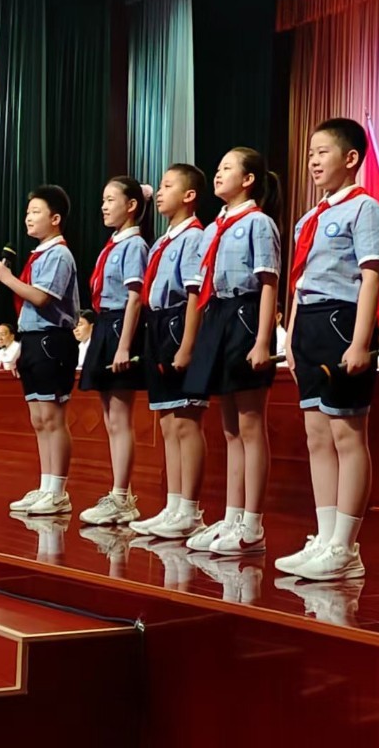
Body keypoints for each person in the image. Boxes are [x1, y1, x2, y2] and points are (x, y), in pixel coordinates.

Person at [277, 118, 379, 582]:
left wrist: (361, 340)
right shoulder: (309, 218)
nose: (313, 161)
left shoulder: (365, 208)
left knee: (347, 435)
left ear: (351, 158)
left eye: (323, 152)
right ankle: (324, 538)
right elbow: (299, 283)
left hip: (344, 320)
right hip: (308, 326)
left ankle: (346, 544)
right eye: (310, 153)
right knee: (317, 436)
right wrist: (291, 339)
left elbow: (372, 275)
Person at [176, 147, 282, 556]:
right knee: (230, 427)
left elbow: (269, 282)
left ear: (249, 179)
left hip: (245, 316)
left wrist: (261, 339)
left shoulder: (258, 223)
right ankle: (233, 515)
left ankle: (252, 523)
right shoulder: (212, 229)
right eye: (217, 168)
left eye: (227, 168)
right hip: (217, 315)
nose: (218, 174)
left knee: (251, 425)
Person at [130, 164, 210, 540]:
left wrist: (187, 344)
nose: (159, 192)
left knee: (185, 420)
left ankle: (190, 509)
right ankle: (173, 505)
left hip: (179, 321)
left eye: (167, 186)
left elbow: (195, 294)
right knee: (166, 421)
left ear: (189, 195)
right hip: (157, 323)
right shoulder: (163, 241)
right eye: (159, 187)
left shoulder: (195, 236)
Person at [0, 186, 80, 515]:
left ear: (55, 218)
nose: (28, 218)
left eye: (36, 212)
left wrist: (6, 277)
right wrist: (21, 346)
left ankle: (58, 490)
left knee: (54, 417)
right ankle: (45, 486)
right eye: (27, 212)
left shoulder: (59, 254)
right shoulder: (40, 254)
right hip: (32, 339)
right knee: (39, 419)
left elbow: (42, 298)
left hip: (52, 340)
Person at [78, 177, 151, 526]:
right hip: (106, 324)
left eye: (111, 200)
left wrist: (124, 345)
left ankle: (122, 497)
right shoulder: (114, 243)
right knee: (110, 418)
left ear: (131, 205)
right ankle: (119, 492)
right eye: (103, 200)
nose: (104, 207)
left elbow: (135, 297)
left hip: (122, 326)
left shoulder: (134, 245)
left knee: (120, 418)